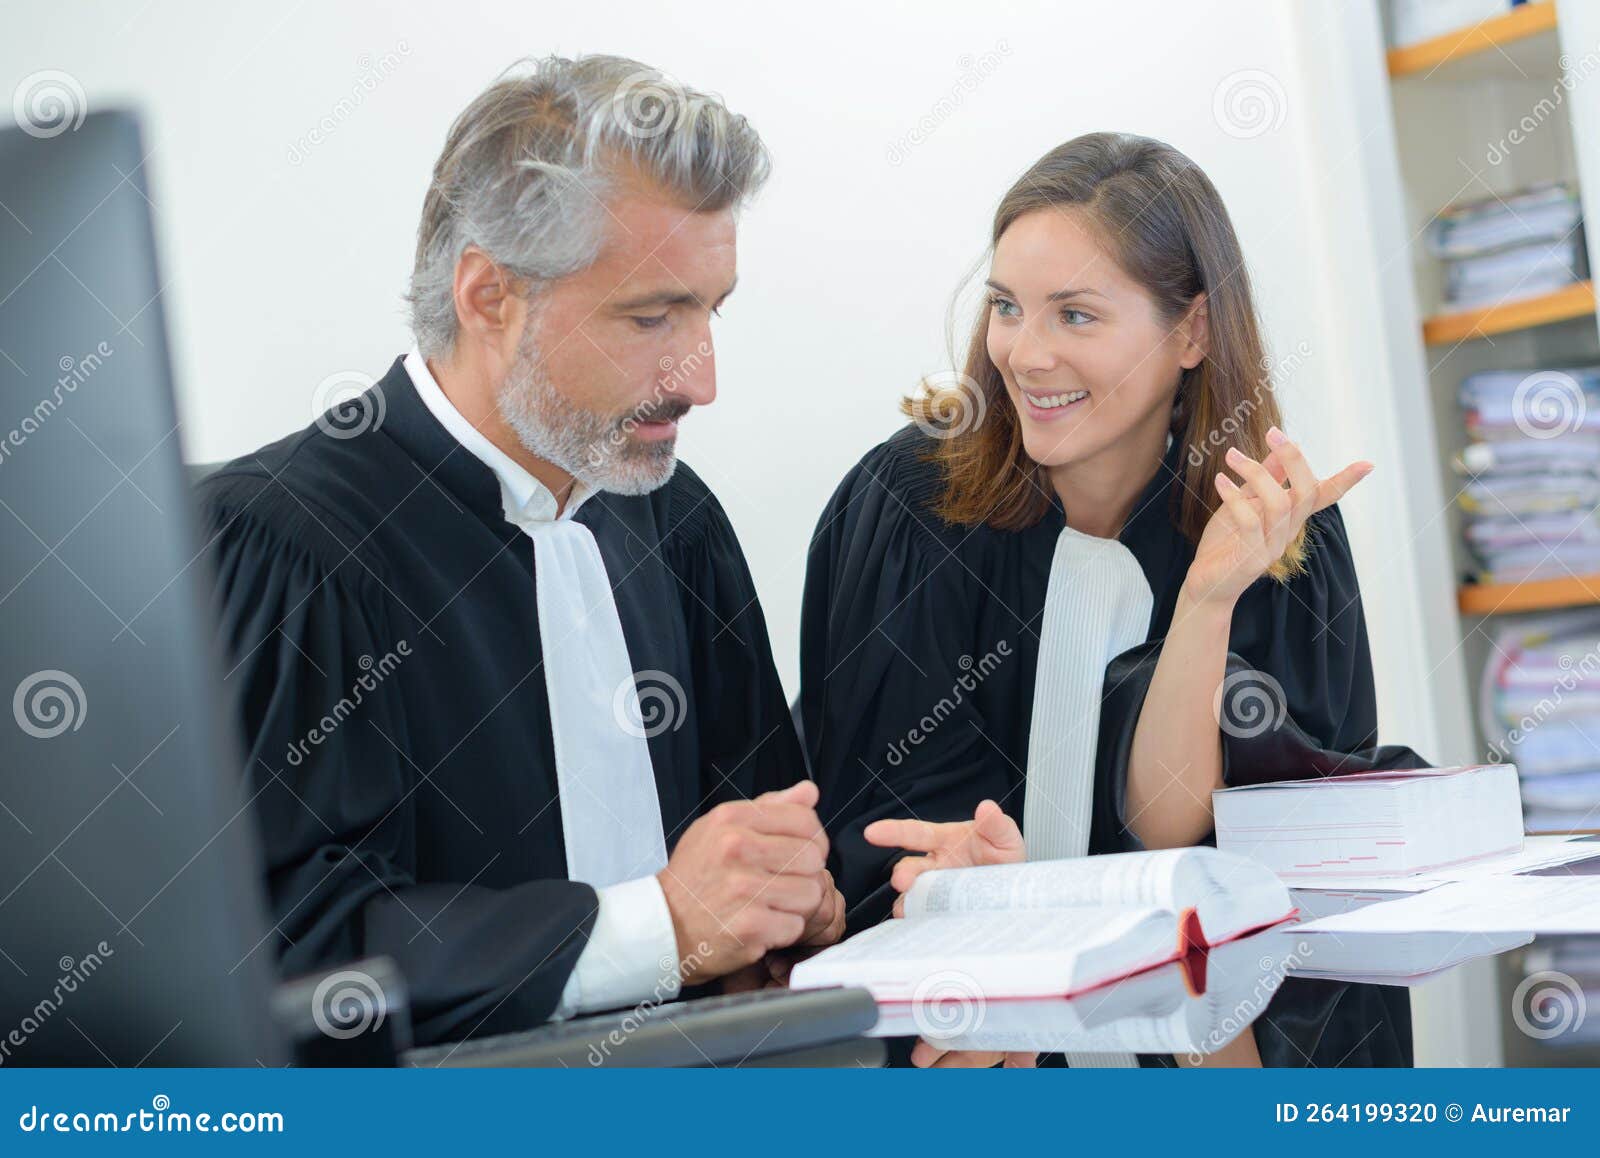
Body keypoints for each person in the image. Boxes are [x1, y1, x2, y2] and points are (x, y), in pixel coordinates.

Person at [198, 54, 841, 1047]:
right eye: (651, 315)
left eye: (712, 309)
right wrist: (658, 928)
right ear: (489, 296)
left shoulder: (676, 520)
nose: (701, 379)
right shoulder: (281, 544)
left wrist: (807, 912)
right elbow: (288, 960)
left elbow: (760, 857)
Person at [800, 132, 1426, 1068]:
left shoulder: (1282, 536)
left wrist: (1208, 601)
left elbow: (1273, 871)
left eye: (1077, 316)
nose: (1026, 354)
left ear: (1192, 332)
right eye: (1007, 307)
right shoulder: (907, 511)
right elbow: (875, 823)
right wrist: (960, 895)